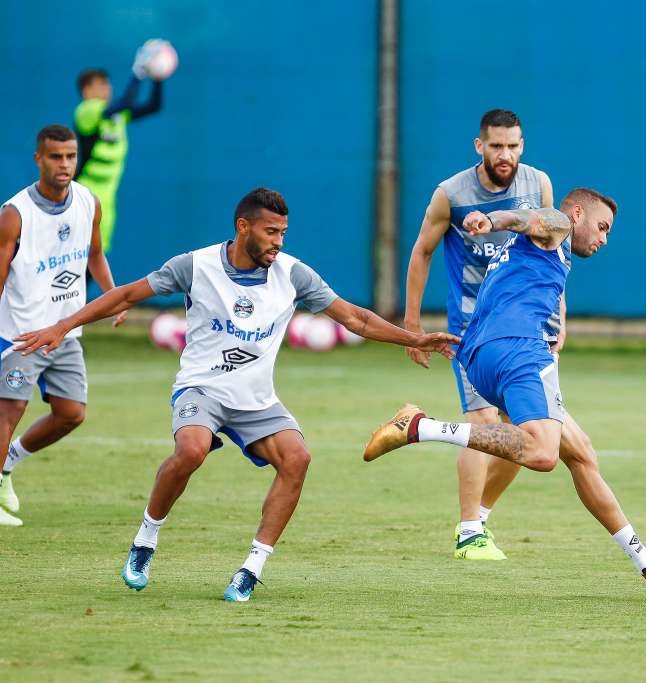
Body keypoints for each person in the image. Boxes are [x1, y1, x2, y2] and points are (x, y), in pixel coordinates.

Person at [15, 187, 458, 601]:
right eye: (270, 232)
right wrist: (61, 326)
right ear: (243, 227)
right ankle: (145, 539)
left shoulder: (293, 274)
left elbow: (356, 319)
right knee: (191, 451)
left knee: (298, 459)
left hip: (257, 401)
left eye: (283, 233)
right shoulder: (196, 265)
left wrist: (412, 339)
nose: (278, 242)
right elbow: (127, 294)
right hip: (202, 388)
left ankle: (252, 567)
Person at [366, 190, 646, 596]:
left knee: (581, 454)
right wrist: (493, 221)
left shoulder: (538, 253)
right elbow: (533, 218)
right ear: (579, 213)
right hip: (517, 348)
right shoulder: (560, 225)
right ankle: (420, 427)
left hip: (481, 355)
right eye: (602, 227)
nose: (604, 238)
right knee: (543, 453)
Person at [404, 109, 564, 560]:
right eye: (496, 146)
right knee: (483, 423)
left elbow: (552, 251)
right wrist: (412, 328)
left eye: (513, 145)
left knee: (524, 431)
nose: (505, 154)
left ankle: (480, 520)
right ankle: (469, 531)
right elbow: (422, 252)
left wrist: (559, 318)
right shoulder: (451, 194)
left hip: (526, 330)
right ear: (480, 146)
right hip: (472, 330)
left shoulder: (539, 185)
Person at [0, 125, 126, 528]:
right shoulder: (14, 214)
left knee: (71, 414)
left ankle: (7, 466)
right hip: (21, 333)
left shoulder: (89, 201)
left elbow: (94, 254)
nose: (65, 164)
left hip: (66, 331)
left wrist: (113, 296)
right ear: (39, 159)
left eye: (70, 156)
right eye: (56, 157)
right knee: (9, 410)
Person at [74, 42, 166, 254]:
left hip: (107, 196)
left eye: (107, 84)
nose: (106, 88)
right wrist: (138, 72)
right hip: (84, 193)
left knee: (97, 254)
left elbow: (154, 106)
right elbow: (126, 100)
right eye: (100, 85)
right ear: (86, 91)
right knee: (76, 253)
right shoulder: (86, 112)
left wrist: (158, 78)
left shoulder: (117, 115)